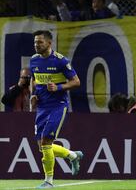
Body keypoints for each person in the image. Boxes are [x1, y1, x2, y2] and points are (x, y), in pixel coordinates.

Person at [30, 30, 83, 188]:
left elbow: (76, 82)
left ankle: (49, 181)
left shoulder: (60, 61)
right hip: (42, 107)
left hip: (58, 106)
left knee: (46, 141)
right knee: (42, 146)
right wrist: (34, 95)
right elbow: (35, 79)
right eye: (35, 42)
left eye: (40, 42)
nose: (36, 45)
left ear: (49, 43)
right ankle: (73, 155)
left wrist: (59, 87)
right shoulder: (33, 61)